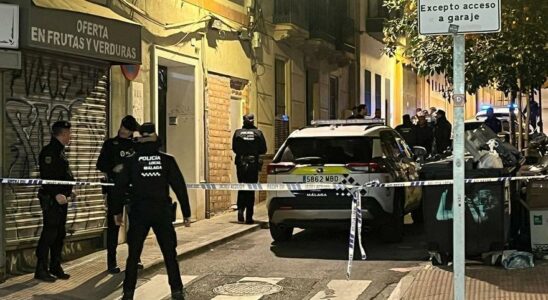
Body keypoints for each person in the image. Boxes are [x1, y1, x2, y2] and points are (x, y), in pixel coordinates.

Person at [112, 123, 191, 300]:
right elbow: (179, 187)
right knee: (170, 254)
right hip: (161, 212)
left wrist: (117, 212)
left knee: (133, 255)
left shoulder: (131, 161)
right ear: (156, 139)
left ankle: (128, 292)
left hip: (139, 212)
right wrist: (186, 213)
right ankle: (176, 291)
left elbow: (119, 187)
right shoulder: (167, 160)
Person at [96, 115, 142, 274]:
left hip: (132, 191)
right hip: (115, 190)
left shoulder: (135, 146)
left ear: (132, 132)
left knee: (136, 225)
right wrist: (112, 169)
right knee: (114, 226)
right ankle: (111, 262)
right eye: (123, 127)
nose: (123, 131)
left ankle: (135, 258)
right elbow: (100, 164)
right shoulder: (110, 144)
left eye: (127, 129)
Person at [35, 121, 74, 282]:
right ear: (63, 134)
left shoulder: (60, 151)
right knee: (49, 234)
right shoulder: (49, 152)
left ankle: (55, 266)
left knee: (59, 234)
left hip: (61, 201)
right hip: (52, 201)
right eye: (69, 133)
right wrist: (57, 194)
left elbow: (63, 176)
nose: (71, 136)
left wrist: (70, 191)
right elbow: (47, 177)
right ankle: (41, 269)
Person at [232, 113, 267, 224]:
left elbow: (234, 148)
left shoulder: (237, 133)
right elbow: (263, 149)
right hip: (252, 164)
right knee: (250, 190)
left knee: (242, 187)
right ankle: (249, 217)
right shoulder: (258, 133)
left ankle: (240, 210)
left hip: (241, 163)